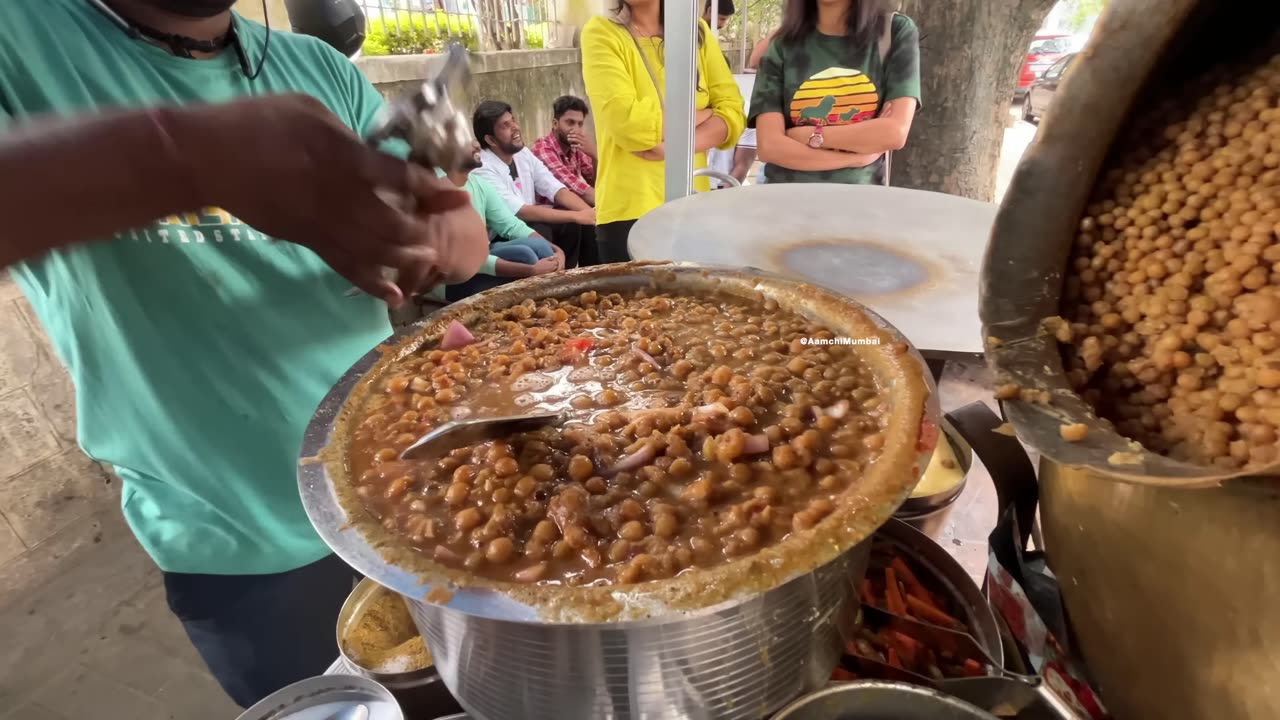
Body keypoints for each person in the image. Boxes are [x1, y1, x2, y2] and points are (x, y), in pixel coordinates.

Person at [0, 0, 489, 708]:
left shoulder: (319, 70)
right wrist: (185, 155)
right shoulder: (21, 37)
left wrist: (440, 235)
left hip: (409, 496)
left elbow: (455, 229)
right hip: (237, 543)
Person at [582, 0, 746, 262]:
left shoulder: (698, 33)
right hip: (629, 211)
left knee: (697, 302)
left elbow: (734, 115)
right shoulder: (602, 32)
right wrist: (705, 114)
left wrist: (673, 147)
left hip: (692, 206)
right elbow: (629, 125)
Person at [749, 0, 921, 186]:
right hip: (787, 200)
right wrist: (855, 159)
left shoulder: (893, 32)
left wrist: (810, 135)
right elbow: (770, 147)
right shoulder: (782, 45)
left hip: (863, 204)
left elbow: (894, 133)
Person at [428, 141, 565, 302]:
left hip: (481, 260)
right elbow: (466, 259)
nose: (476, 145)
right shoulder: (436, 191)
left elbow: (511, 225)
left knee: (540, 247)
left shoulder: (477, 183)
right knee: (526, 257)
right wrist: (530, 271)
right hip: (449, 280)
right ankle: (547, 312)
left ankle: (553, 311)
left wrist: (557, 252)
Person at [471, 100, 597, 268]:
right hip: (503, 233)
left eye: (513, 120)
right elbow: (520, 212)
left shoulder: (522, 153)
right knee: (555, 225)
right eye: (505, 126)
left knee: (578, 224)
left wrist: (588, 214)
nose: (515, 127)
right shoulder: (483, 169)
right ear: (491, 140)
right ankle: (553, 281)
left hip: (530, 223)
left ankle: (579, 277)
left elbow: (555, 188)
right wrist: (577, 215)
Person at [531, 95, 598, 208]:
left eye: (580, 124)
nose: (576, 129)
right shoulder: (543, 149)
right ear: (555, 124)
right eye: (570, 123)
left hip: (572, 212)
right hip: (549, 216)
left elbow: (596, 183)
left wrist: (594, 156)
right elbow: (578, 189)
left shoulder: (575, 148)